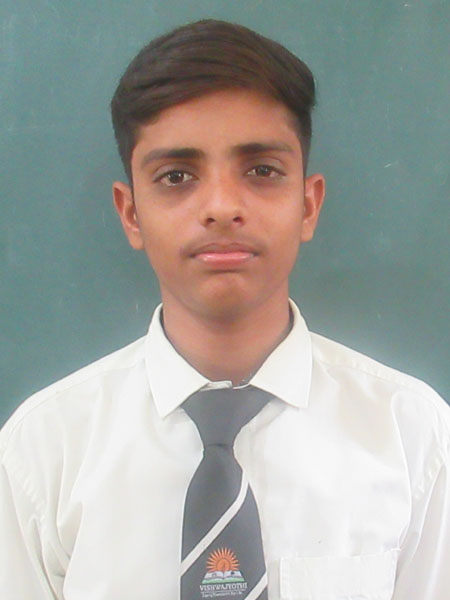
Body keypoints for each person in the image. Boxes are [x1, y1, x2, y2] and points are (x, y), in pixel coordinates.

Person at [1, 19, 449, 600]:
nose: (220, 206)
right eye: (176, 176)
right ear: (131, 214)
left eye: (261, 171)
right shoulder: (42, 452)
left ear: (308, 205)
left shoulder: (414, 439)